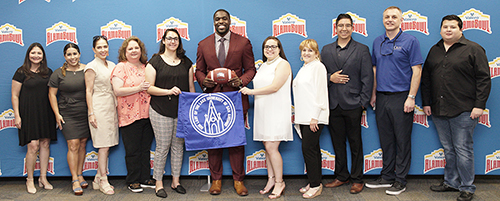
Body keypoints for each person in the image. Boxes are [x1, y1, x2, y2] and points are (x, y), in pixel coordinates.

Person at [422, 15, 491, 201]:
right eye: (445, 26)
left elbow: (484, 79)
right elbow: (426, 78)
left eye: (453, 27)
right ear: (440, 29)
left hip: (464, 109)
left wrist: (479, 106)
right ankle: (451, 182)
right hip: (438, 108)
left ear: (461, 29)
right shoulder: (434, 50)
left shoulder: (473, 49)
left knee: (463, 149)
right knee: (448, 149)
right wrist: (426, 102)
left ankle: (467, 187)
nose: (448, 30)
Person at [195, 9, 256, 196]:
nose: (220, 21)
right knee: (214, 142)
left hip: (235, 99)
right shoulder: (203, 44)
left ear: (230, 21)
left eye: (224, 18)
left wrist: (242, 82)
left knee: (236, 142)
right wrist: (203, 81)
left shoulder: (243, 42)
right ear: (213, 22)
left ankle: (238, 180)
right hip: (212, 100)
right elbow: (199, 70)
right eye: (217, 19)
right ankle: (216, 180)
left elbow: (251, 69)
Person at [365, 6, 423, 196]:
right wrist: (373, 94)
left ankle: (400, 180)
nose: (390, 20)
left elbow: (417, 70)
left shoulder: (410, 41)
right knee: (386, 140)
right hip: (382, 97)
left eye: (394, 17)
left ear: (401, 20)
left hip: (402, 97)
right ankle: (387, 175)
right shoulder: (377, 41)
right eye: (387, 17)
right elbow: (374, 70)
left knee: (402, 140)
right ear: (383, 20)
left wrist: (411, 97)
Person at [321, 13, 373, 194]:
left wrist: (362, 103)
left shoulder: (362, 49)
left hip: (353, 104)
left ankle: (358, 179)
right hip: (333, 104)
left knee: (355, 143)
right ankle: (341, 176)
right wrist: (330, 77)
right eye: (340, 25)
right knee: (338, 143)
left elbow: (368, 77)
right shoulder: (326, 50)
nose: (344, 29)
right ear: (335, 28)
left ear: (353, 28)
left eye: (347, 25)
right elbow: (319, 76)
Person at [239, 36, 292, 199]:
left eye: (273, 46)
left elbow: (275, 87)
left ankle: (280, 182)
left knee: (272, 148)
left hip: (276, 111)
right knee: (267, 148)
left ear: (279, 48)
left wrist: (250, 92)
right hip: (263, 111)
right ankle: (271, 179)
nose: (270, 49)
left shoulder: (283, 64)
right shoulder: (262, 66)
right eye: (266, 47)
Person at [145, 28, 195, 198]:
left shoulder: (187, 62)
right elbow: (149, 88)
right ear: (164, 41)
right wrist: (168, 91)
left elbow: (190, 88)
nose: (173, 41)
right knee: (162, 146)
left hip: (181, 111)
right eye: (169, 38)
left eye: (176, 39)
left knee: (178, 147)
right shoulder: (155, 62)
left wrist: (191, 109)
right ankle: (158, 183)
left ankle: (176, 181)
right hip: (160, 110)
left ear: (179, 42)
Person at [111, 36, 155, 193]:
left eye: (136, 48)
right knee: (132, 150)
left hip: (148, 114)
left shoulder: (146, 67)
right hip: (129, 115)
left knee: (145, 148)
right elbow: (117, 90)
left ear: (141, 50)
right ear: (124, 52)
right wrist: (139, 88)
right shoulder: (120, 68)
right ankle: (133, 180)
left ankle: (144, 178)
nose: (134, 51)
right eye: (130, 48)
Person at [11, 42, 57, 194]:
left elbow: (52, 94)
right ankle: (29, 179)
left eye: (39, 53)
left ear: (43, 56)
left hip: (45, 112)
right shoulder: (21, 72)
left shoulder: (48, 72)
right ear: (28, 55)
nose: (36, 55)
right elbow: (15, 95)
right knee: (33, 146)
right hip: (28, 113)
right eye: (33, 53)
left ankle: (43, 178)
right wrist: (17, 115)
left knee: (45, 144)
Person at [48, 43, 90, 196]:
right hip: (67, 112)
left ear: (79, 54)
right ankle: (74, 179)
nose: (73, 57)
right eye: (69, 54)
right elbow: (52, 94)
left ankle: (80, 174)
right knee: (73, 144)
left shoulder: (87, 69)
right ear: (65, 56)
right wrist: (57, 114)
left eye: (75, 54)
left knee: (83, 143)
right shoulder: (59, 73)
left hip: (85, 111)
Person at [293, 39, 329, 199]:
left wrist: (314, 116)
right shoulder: (305, 67)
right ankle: (314, 181)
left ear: (316, 53)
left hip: (314, 117)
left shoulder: (318, 67)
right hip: (304, 116)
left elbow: (321, 92)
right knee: (311, 150)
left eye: (310, 50)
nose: (306, 53)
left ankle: (315, 185)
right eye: (304, 50)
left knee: (309, 150)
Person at [84, 35, 119, 195]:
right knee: (103, 145)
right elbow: (88, 91)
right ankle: (104, 179)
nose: (103, 50)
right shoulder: (91, 67)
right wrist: (91, 113)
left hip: (111, 106)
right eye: (99, 47)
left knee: (109, 143)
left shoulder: (112, 65)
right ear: (93, 50)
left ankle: (97, 177)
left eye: (105, 46)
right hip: (98, 107)